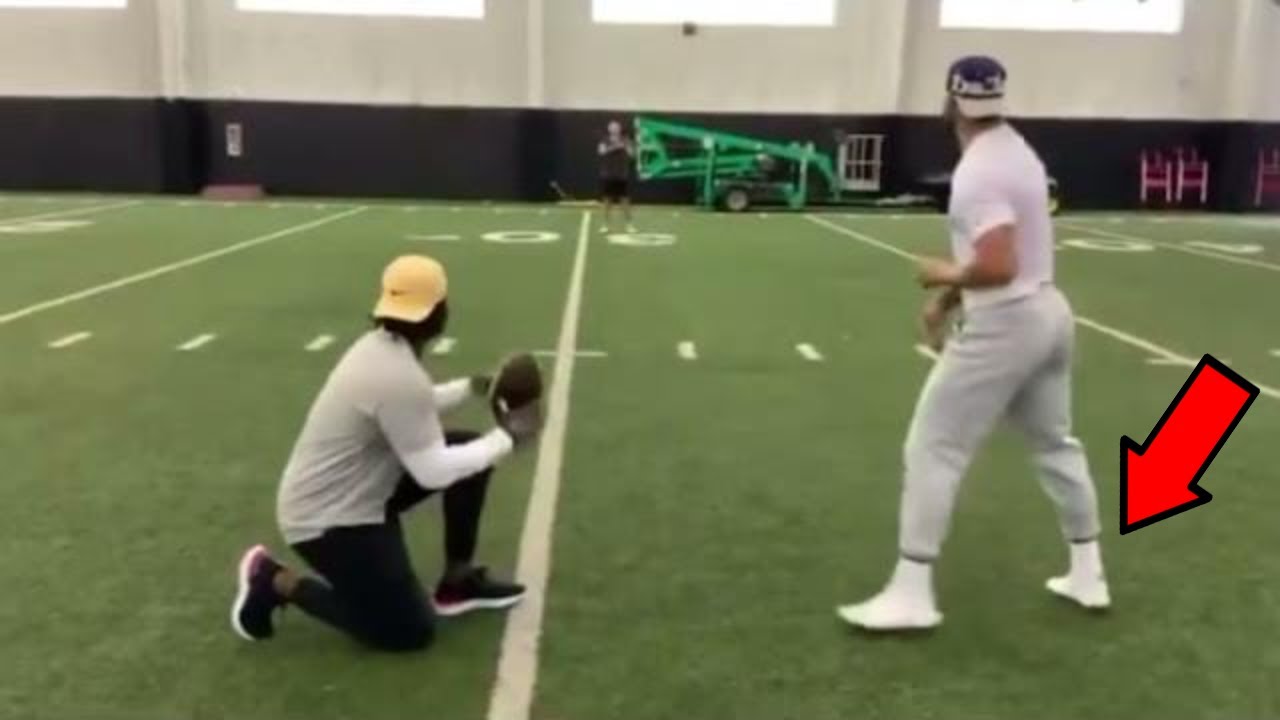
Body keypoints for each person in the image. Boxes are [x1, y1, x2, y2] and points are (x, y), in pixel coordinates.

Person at [837, 56, 1109, 632]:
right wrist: (949, 301)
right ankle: (1088, 573)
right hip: (1048, 311)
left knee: (933, 446)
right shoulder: (1017, 150)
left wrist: (944, 275)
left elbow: (998, 264)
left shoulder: (979, 171)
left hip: (1006, 321)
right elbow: (1016, 256)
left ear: (950, 101)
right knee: (1054, 444)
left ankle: (912, 590)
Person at [231, 254, 541, 651]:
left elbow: (412, 406)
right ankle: (274, 580)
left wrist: (471, 387)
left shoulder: (381, 349)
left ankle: (458, 580)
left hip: (361, 491)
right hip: (325, 520)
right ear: (438, 312)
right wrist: (507, 439)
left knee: (467, 452)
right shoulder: (395, 373)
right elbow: (432, 471)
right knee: (407, 631)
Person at [598, 119, 636, 234]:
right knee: (607, 201)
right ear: (609, 129)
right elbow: (601, 152)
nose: (614, 129)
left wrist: (627, 147)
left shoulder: (626, 140)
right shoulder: (604, 140)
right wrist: (615, 147)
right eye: (612, 127)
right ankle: (605, 225)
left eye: (616, 127)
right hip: (608, 175)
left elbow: (632, 154)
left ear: (619, 129)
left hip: (621, 175)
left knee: (625, 201)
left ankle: (629, 225)